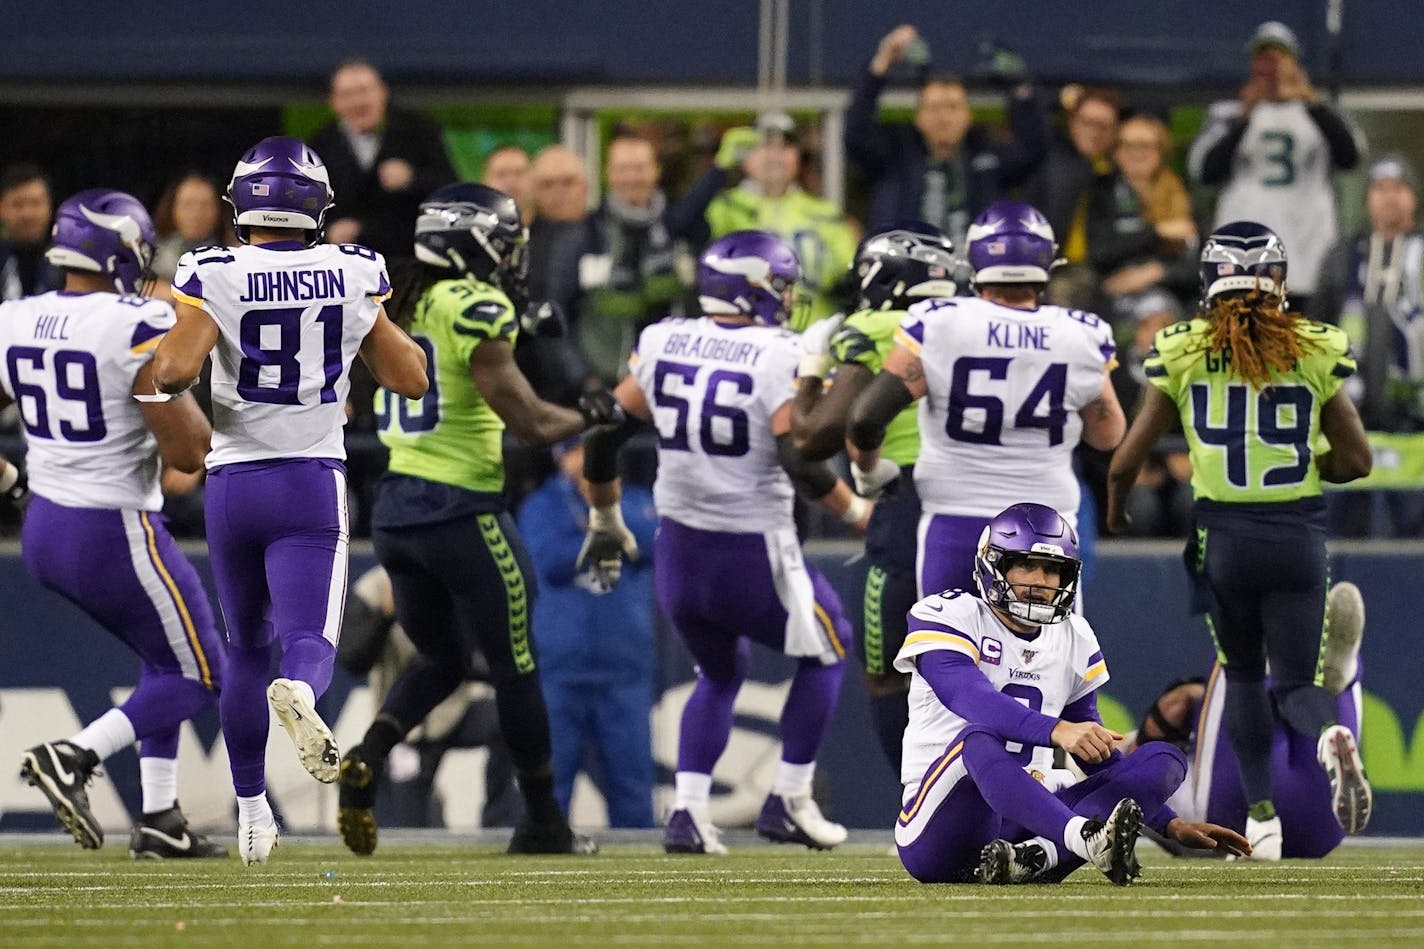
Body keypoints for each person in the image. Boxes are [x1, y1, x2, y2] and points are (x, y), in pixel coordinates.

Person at [151, 135, 430, 865]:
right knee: (309, 640)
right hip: (309, 480)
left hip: (233, 484)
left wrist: (174, 329)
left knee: (243, 648)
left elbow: (174, 371)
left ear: (243, 205)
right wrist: (369, 321)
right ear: (316, 206)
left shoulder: (215, 269)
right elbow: (410, 379)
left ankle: (250, 811)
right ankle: (300, 695)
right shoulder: (349, 270)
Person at [335, 182, 623, 857]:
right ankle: (544, 819)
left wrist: (524, 322)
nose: (515, 252)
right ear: (478, 243)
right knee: (516, 664)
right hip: (462, 507)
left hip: (398, 509)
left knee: (442, 659)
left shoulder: (401, 298)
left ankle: (368, 754)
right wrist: (598, 416)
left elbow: (462, 344)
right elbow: (528, 422)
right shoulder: (479, 305)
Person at [579, 230, 867, 854]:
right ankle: (790, 797)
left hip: (679, 548)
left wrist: (603, 514)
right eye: (783, 285)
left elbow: (605, 430)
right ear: (757, 288)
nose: (790, 297)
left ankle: (685, 811)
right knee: (830, 643)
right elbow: (798, 459)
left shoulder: (662, 338)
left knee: (718, 669)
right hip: (751, 545)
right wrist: (855, 508)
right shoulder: (778, 352)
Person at [1105, 221, 1375, 859]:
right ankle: (1331, 735)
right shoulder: (1313, 344)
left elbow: (1125, 461)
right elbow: (1357, 458)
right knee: (1296, 685)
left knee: (1246, 678)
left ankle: (1262, 822)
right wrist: (1313, 468)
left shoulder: (1183, 347)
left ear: (1210, 282)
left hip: (1223, 534)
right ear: (1276, 281)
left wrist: (1118, 509)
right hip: (1298, 531)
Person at [0, 189, 225, 858]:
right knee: (201, 670)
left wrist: (12, 481)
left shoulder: (14, 316)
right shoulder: (136, 321)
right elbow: (188, 452)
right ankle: (72, 755)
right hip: (112, 528)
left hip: (44, 525)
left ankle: (160, 817)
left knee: (162, 658)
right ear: (121, 249)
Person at [894, 502, 1249, 885]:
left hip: (1025, 823)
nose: (1042, 581)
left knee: (1162, 758)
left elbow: (1095, 754)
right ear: (993, 564)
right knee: (975, 739)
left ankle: (1037, 859)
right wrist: (1057, 729)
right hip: (940, 828)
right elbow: (970, 698)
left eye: (1053, 570)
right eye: (1026, 565)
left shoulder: (1073, 635)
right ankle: (1080, 839)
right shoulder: (949, 614)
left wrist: (1168, 823)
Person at [847, 201, 1126, 600]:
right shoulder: (1080, 332)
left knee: (947, 652)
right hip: (1045, 533)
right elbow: (1108, 435)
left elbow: (866, 417)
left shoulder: (939, 322)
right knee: (1043, 659)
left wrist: (868, 472)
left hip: (954, 522)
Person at [791, 224, 960, 775]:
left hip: (905, 502)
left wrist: (811, 373)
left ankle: (921, 802)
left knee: (890, 667)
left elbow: (814, 435)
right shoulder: (968, 320)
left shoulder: (873, 325)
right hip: (983, 501)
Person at [1124, 582, 1366, 860]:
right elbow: (1174, 705)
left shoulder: (1119, 776)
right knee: (1309, 702)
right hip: (1323, 821)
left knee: (1245, 681)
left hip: (1232, 818)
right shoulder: (1138, 754)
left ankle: (1267, 658)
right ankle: (1337, 670)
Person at [517, 437, 658, 827]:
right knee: (552, 787)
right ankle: (543, 871)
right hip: (562, 667)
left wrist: (599, 528)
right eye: (574, 450)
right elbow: (547, 560)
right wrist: (603, 536)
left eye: (588, 448)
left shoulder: (634, 499)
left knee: (632, 787)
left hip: (623, 667)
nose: (582, 458)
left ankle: (641, 882)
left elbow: (655, 541)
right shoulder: (542, 506)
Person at [1188, 21, 1361, 316]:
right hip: (1244, 257)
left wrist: (1310, 101)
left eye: (1277, 59)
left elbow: (1350, 158)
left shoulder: (1320, 110)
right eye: (1262, 59)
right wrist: (1245, 117)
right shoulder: (1228, 112)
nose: (1269, 68)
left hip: (1307, 252)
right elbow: (1205, 172)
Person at [845, 25, 1048, 246]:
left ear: (968, 116)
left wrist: (1021, 89)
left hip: (973, 274)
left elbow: (1034, 148)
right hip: (907, 274)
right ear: (918, 118)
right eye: (934, 108)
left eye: (952, 107)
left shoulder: (988, 161)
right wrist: (880, 65)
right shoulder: (894, 159)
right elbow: (857, 133)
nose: (943, 118)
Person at [1313, 155, 1424, 536]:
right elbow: (1317, 329)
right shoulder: (1342, 255)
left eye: (1399, 189)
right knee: (1343, 528)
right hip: (1349, 416)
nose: (1389, 198)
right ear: (1367, 199)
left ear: (1414, 198)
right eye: (1380, 189)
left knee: (1413, 528)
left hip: (1416, 422)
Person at [702, 114, 858, 328]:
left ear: (798, 157)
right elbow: (682, 228)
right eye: (764, 146)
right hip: (744, 341)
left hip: (811, 343)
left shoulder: (825, 212)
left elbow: (850, 278)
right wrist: (719, 169)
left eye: (785, 147)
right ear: (745, 156)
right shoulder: (724, 206)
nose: (775, 156)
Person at [573, 134, 695, 384]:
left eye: (639, 168)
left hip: (673, 372)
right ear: (608, 174)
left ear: (655, 171)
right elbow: (570, 306)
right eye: (622, 169)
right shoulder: (588, 229)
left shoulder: (681, 226)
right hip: (607, 374)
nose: (631, 178)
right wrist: (584, 376)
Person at [309, 59, 457, 257]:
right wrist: (328, 230)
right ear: (333, 102)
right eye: (347, 95)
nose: (358, 102)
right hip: (349, 264)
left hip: (410, 260)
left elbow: (450, 189)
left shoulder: (419, 131)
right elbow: (307, 207)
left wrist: (412, 179)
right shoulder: (320, 146)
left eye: (364, 91)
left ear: (383, 92)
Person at [150, 173, 233, 282]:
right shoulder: (151, 255)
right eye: (188, 205)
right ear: (172, 209)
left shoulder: (234, 257)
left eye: (205, 205)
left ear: (219, 210)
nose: (196, 214)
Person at [0, 163, 59, 301]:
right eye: (17, 204)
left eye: (35, 203)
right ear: (1, 208)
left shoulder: (71, 265)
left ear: (50, 206)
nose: (27, 214)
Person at [482, 144, 533, 223]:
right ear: (486, 181)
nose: (511, 182)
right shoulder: (473, 232)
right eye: (501, 174)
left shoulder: (553, 229)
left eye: (519, 173)